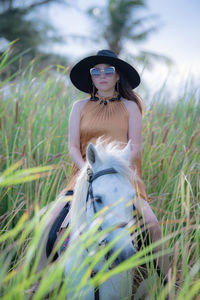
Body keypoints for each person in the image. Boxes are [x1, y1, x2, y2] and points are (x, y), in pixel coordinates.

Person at [38, 49, 170, 285]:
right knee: (49, 221)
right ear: (90, 76)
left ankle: (168, 284)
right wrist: (88, 171)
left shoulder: (130, 107)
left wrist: (114, 172)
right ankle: (36, 283)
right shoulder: (79, 106)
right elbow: (72, 147)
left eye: (108, 70)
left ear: (118, 76)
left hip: (122, 177)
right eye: (95, 71)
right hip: (83, 175)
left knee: (151, 223)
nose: (102, 75)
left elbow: (136, 148)